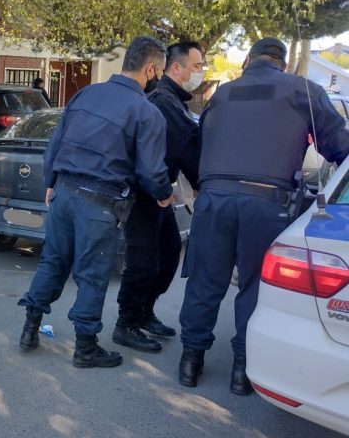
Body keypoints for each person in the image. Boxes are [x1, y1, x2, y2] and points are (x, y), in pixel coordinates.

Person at [178, 38, 349, 395]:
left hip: (214, 199)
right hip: (267, 203)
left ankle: (190, 362)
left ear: (248, 61)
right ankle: (242, 371)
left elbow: (200, 145)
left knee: (205, 281)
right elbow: (338, 147)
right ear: (282, 63)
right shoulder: (304, 89)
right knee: (255, 285)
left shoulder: (222, 94)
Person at [17, 36, 174, 369]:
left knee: (52, 262)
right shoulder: (147, 112)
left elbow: (55, 142)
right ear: (150, 69)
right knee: (92, 276)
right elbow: (151, 169)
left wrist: (50, 182)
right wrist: (164, 194)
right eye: (159, 71)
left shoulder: (87, 93)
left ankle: (30, 328)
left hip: (64, 194)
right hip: (100, 204)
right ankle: (86, 347)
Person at [113, 42, 204, 353]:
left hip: (159, 192)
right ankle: (126, 323)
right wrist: (202, 182)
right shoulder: (164, 100)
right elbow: (188, 149)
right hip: (144, 193)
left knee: (167, 254)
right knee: (143, 261)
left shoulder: (174, 100)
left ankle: (143, 313)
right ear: (175, 68)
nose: (200, 73)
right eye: (196, 66)